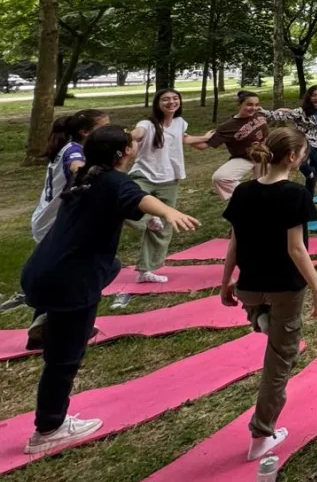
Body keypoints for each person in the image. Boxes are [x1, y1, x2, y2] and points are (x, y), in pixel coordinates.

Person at [21, 125, 199, 454]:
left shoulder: (86, 175)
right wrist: (168, 211)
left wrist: (151, 217)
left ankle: (49, 320)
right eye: (131, 142)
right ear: (125, 152)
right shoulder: (115, 181)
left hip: (42, 271)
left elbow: (126, 203)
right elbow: (139, 197)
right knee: (64, 360)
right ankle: (49, 428)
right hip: (72, 281)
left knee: (113, 266)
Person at [219, 127, 317, 461]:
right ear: (293, 157)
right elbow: (296, 249)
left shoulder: (243, 192)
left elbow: (234, 242)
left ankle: (260, 317)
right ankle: (261, 435)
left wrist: (225, 281)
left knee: (264, 315)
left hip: (249, 286)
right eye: (303, 153)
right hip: (285, 287)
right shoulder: (296, 194)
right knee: (280, 362)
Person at [126, 90, 212, 284]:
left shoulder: (180, 122)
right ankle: (148, 218)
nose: (171, 102)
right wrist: (128, 138)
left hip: (170, 178)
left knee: (164, 226)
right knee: (125, 204)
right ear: (157, 103)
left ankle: (146, 270)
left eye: (175, 98)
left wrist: (205, 137)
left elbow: (184, 139)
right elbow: (136, 134)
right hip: (144, 175)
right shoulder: (147, 124)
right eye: (165, 99)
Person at [31, 109, 110, 246]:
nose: (109, 131)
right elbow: (75, 165)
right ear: (85, 132)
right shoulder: (74, 150)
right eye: (105, 127)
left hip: (52, 220)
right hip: (53, 223)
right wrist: (88, 171)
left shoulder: (73, 146)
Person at [204, 91, 270, 200]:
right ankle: (245, 196)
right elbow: (202, 145)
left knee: (265, 189)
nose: (253, 108)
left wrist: (283, 111)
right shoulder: (228, 126)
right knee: (220, 177)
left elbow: (274, 116)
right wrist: (186, 138)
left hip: (263, 156)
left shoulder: (259, 114)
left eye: (256, 105)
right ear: (239, 105)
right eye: (249, 104)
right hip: (244, 157)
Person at [266, 85, 317, 196]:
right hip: (306, 145)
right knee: (303, 165)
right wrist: (264, 112)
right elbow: (282, 116)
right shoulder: (301, 111)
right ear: (308, 97)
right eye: (314, 95)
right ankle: (305, 171)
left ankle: (309, 201)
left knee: (313, 178)